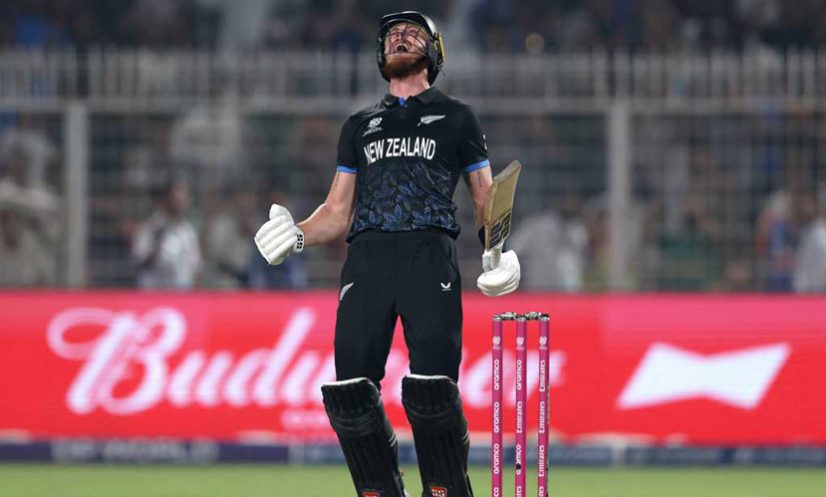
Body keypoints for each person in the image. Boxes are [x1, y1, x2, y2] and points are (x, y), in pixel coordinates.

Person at [254, 11, 520, 497]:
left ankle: (446, 490)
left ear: (435, 51)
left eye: (412, 34)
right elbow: (336, 213)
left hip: (429, 254)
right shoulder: (359, 125)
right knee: (350, 394)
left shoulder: (458, 117)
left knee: (433, 390)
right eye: (392, 35)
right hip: (367, 257)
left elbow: (485, 199)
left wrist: (498, 251)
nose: (399, 38)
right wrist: (297, 235)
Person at [132, 179, 201, 289]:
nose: (180, 203)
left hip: (182, 294)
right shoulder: (151, 228)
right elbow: (141, 262)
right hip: (155, 293)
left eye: (183, 199)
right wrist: (157, 242)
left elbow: (195, 266)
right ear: (167, 199)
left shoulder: (188, 231)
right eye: (176, 199)